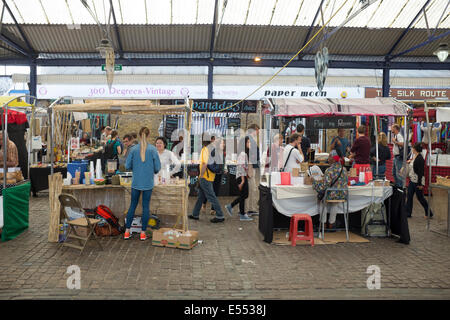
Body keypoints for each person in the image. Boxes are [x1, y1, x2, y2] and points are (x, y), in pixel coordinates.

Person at [124, 127, 161, 241]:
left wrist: (135, 167)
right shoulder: (153, 149)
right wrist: (152, 171)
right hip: (148, 183)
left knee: (132, 206)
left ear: (139, 136)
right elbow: (157, 168)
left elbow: (127, 166)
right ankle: (143, 233)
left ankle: (127, 232)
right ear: (149, 135)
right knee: (146, 207)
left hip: (136, 183)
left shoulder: (134, 149)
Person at [189, 133, 226, 223]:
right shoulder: (212, 149)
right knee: (201, 197)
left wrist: (201, 175)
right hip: (210, 176)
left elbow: (204, 163)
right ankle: (195, 214)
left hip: (205, 177)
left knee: (211, 196)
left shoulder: (206, 149)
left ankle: (220, 215)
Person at [313, 150, 349, 231]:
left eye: (329, 156)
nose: (328, 158)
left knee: (322, 201)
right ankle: (331, 224)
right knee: (334, 203)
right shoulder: (344, 170)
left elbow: (324, 186)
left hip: (330, 195)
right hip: (341, 195)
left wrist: (314, 182)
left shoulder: (329, 170)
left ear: (333, 159)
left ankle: (323, 224)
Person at [225, 136, 253, 221]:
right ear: (244, 144)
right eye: (248, 142)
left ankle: (242, 213)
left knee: (243, 195)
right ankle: (231, 206)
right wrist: (243, 181)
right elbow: (241, 167)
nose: (249, 144)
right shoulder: (243, 154)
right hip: (241, 177)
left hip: (242, 176)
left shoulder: (244, 153)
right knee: (245, 195)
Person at [406, 143, 434, 219]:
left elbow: (421, 172)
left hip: (417, 181)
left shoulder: (420, 159)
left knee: (420, 198)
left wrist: (420, 184)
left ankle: (429, 212)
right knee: (409, 196)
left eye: (412, 147)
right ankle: (408, 212)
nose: (411, 149)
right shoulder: (415, 156)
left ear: (415, 149)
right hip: (412, 180)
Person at [202, 137, 226, 215]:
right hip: (213, 174)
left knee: (216, 191)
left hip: (219, 174)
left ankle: (213, 208)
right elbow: (210, 162)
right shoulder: (214, 151)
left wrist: (224, 169)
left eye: (224, 143)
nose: (224, 144)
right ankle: (204, 203)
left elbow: (223, 163)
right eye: (222, 143)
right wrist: (215, 168)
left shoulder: (223, 152)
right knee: (210, 191)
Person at [246, 124, 261, 216]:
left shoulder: (250, 139)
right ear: (254, 130)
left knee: (252, 188)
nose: (258, 132)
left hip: (251, 166)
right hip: (250, 167)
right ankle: (248, 209)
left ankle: (251, 208)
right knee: (251, 188)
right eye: (258, 130)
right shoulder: (249, 139)